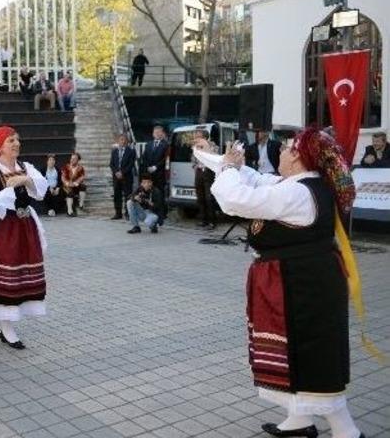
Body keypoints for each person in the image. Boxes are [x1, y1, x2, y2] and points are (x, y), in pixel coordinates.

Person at [192, 128, 368, 438]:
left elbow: (236, 199)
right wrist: (218, 157)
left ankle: (347, 431)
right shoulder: (298, 184)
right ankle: (299, 421)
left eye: (286, 148)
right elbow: (254, 179)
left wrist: (230, 168)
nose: (281, 152)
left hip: (302, 284)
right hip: (297, 279)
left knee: (311, 354)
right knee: (294, 352)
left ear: (299, 156)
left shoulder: (297, 192)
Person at [0, 126, 48, 350]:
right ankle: (7, 328)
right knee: (6, 279)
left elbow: (40, 189)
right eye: (10, 140)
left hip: (25, 228)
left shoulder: (25, 167)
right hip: (4, 230)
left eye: (17, 140)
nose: (16, 143)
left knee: (20, 277)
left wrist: (25, 180)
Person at [141, 125, 169, 222]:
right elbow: (144, 157)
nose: (157, 134)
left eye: (159, 132)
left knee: (160, 194)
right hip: (149, 174)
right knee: (149, 194)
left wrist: (155, 167)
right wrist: (147, 167)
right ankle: (151, 213)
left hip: (160, 174)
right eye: (155, 132)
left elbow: (165, 159)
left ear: (162, 133)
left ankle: (161, 215)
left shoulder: (166, 145)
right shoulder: (148, 144)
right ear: (153, 134)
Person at [191, 130, 218, 230]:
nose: (196, 139)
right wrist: (194, 166)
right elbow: (193, 158)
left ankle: (212, 221)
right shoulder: (195, 146)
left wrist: (205, 148)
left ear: (205, 138)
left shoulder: (212, 145)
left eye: (198, 137)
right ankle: (203, 219)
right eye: (196, 136)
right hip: (199, 171)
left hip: (208, 172)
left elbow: (215, 156)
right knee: (200, 196)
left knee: (209, 197)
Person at [109, 134, 136, 220]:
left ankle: (128, 213)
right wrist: (116, 172)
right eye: (121, 140)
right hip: (116, 178)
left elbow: (131, 164)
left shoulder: (131, 151)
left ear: (127, 141)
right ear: (118, 141)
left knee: (128, 195)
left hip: (127, 177)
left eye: (124, 140)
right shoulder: (114, 151)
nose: (123, 141)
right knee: (117, 195)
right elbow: (111, 164)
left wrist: (122, 173)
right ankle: (118, 213)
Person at [61, 152, 86, 216]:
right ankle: (69, 211)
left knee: (83, 186)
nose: (72, 160)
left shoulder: (81, 168)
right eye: (71, 158)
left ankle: (81, 204)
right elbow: (63, 177)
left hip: (75, 186)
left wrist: (75, 183)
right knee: (70, 192)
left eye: (74, 159)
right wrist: (67, 183)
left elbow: (82, 177)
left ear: (78, 160)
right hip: (67, 186)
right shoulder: (66, 167)